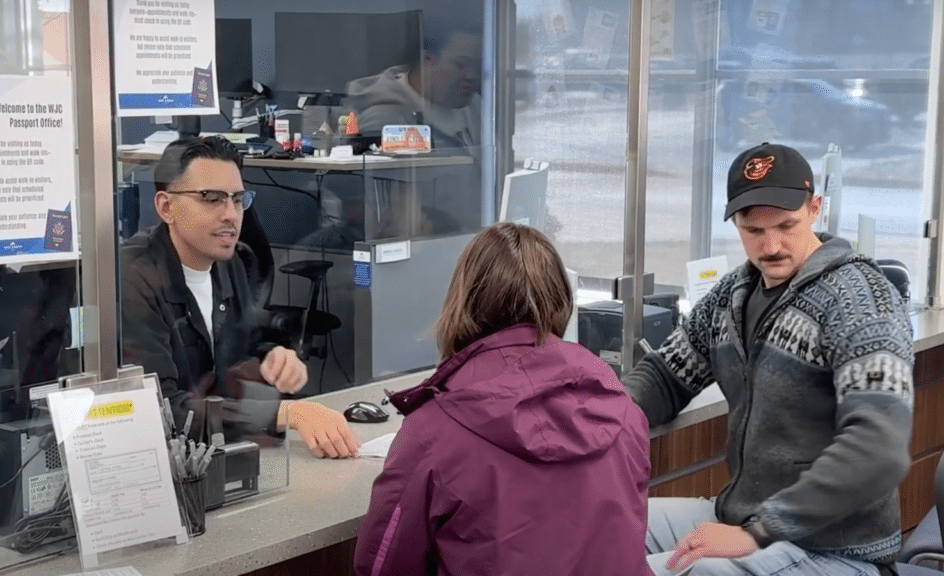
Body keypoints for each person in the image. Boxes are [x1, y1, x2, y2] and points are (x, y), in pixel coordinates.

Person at [625, 142, 914, 576]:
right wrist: (595, 420)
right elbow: (664, 376)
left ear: (815, 207)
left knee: (654, 572)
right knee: (597, 522)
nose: (771, 246)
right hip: (744, 518)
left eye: (786, 225)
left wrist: (756, 532)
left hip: (836, 550)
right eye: (753, 231)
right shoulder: (732, 295)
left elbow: (879, 449)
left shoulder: (861, 299)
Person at [354, 222, 652, 576]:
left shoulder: (432, 430)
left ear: (462, 302)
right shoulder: (624, 414)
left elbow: (380, 566)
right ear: (561, 299)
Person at [121, 135, 359, 459]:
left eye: (237, 199)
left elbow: (234, 355)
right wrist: (285, 414)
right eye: (212, 198)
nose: (231, 214)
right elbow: (161, 412)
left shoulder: (230, 263)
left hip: (215, 458)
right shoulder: (134, 281)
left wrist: (271, 359)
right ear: (166, 207)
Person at [345, 17, 483, 234]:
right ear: (428, 59)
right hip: (425, 248)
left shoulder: (476, 108)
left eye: (477, 65)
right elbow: (365, 207)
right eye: (460, 64)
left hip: (474, 242)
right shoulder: (384, 118)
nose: (472, 76)